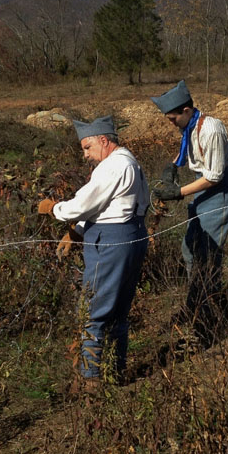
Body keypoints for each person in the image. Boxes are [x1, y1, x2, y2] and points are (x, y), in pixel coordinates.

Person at [38, 115, 149, 389]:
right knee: (118, 311)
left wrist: (55, 209)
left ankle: (92, 381)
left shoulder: (114, 166)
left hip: (111, 241)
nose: (86, 154)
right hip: (130, 233)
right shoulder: (129, 161)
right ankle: (116, 370)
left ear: (103, 140)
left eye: (87, 147)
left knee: (94, 310)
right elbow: (106, 206)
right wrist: (78, 231)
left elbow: (85, 203)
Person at [151, 80, 228, 344]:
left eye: (173, 118)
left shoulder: (211, 129)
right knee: (190, 248)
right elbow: (190, 155)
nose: (171, 122)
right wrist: (173, 167)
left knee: (208, 255)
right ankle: (198, 299)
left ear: (187, 110)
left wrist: (179, 192)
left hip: (219, 191)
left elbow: (214, 175)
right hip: (203, 188)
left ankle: (210, 314)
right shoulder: (191, 126)